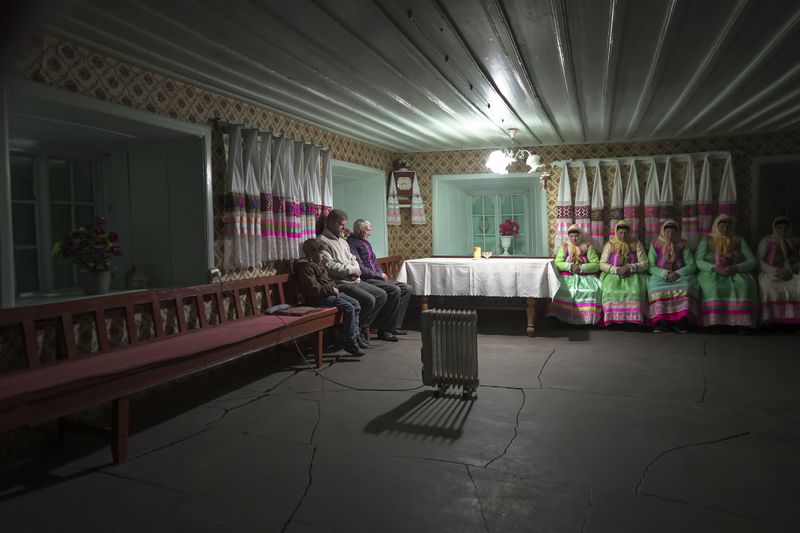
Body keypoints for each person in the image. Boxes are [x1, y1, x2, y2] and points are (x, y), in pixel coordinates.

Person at [317, 209, 398, 344]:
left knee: (381, 295)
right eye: (341, 224)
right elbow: (329, 265)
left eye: (344, 224)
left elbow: (353, 258)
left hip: (355, 279)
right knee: (369, 299)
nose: (344, 228)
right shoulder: (322, 241)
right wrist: (351, 271)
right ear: (330, 223)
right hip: (340, 283)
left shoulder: (343, 241)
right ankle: (354, 332)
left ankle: (359, 329)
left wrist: (355, 268)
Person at [294, 239, 365, 356]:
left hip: (330, 295)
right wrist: (331, 289)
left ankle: (355, 336)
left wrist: (333, 288)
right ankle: (350, 342)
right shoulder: (306, 268)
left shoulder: (317, 265)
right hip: (318, 299)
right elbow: (314, 289)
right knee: (349, 307)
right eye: (321, 253)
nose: (323, 256)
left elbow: (329, 281)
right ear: (312, 253)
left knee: (356, 303)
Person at [347, 219, 411, 335]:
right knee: (394, 290)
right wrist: (378, 275)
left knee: (406, 288)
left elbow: (374, 262)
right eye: (367, 230)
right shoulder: (351, 244)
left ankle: (395, 325)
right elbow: (360, 267)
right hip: (367, 279)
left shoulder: (366, 242)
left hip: (376, 277)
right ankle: (385, 329)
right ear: (358, 230)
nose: (369, 233)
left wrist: (381, 273)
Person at [695, 214, 757, 328]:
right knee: (713, 287)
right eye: (722, 226)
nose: (725, 229)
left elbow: (752, 261)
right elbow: (698, 261)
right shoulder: (707, 239)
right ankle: (715, 323)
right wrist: (714, 268)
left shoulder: (738, 239)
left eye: (728, 226)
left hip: (735, 271)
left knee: (744, 286)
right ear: (716, 226)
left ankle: (741, 323)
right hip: (712, 272)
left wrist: (736, 267)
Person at [646, 219, 698, 333]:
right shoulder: (655, 244)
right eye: (668, 231)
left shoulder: (683, 244)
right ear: (663, 232)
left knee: (686, 287)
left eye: (673, 232)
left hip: (680, 275)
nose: (670, 235)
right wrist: (665, 273)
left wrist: (677, 273)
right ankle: (661, 322)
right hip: (660, 275)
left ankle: (682, 322)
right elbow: (650, 266)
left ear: (677, 232)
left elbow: (691, 265)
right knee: (654, 288)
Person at [547, 224, 602, 325]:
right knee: (561, 290)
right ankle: (562, 319)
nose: (574, 239)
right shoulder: (564, 247)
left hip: (585, 276)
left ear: (580, 235)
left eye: (576, 236)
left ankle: (585, 320)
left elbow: (596, 264)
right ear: (568, 236)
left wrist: (581, 267)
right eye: (571, 236)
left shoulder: (587, 246)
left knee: (592, 290)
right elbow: (558, 263)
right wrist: (570, 266)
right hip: (567, 275)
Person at [599, 220, 649, 325]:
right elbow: (602, 264)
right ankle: (613, 321)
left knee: (635, 291)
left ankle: (633, 321)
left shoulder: (637, 244)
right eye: (620, 232)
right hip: (613, 275)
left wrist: (631, 267)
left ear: (629, 232)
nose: (623, 235)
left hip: (634, 275)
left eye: (625, 233)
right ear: (616, 232)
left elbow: (645, 263)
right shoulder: (610, 244)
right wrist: (616, 270)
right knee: (609, 291)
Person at [757, 216, 800, 327]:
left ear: (790, 228)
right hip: (772, 273)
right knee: (767, 286)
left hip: (793, 272)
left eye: (786, 228)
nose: (783, 230)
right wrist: (775, 271)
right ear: (775, 228)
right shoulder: (767, 240)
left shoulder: (796, 241)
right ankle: (772, 322)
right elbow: (759, 261)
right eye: (780, 228)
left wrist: (790, 270)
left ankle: (793, 322)